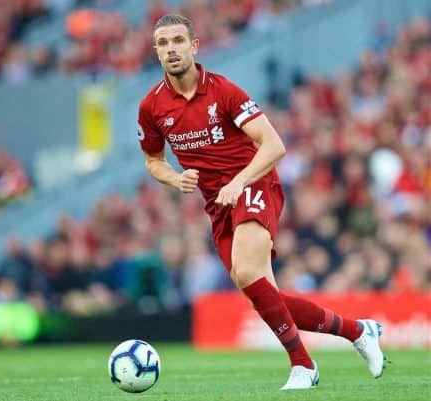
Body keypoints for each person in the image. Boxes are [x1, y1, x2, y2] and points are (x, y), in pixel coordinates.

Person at [138, 14, 385, 390]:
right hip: (218, 202)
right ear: (156, 51)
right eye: (162, 43)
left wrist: (238, 181)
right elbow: (153, 160)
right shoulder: (152, 107)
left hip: (253, 182)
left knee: (249, 272)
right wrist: (174, 177)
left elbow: (274, 145)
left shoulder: (224, 91)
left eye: (177, 41)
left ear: (194, 46)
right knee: (260, 291)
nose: (171, 49)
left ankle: (303, 365)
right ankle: (357, 331)